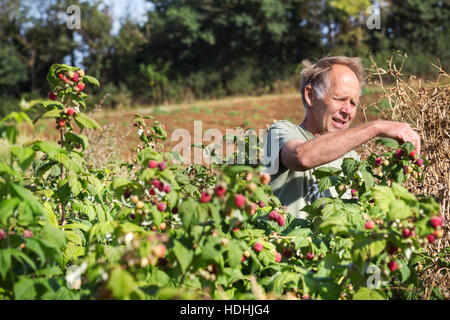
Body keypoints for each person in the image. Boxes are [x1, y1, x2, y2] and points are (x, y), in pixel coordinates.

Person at [263, 56, 421, 219]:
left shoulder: (350, 159)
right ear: (310, 95)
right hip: (288, 243)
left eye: (353, 103)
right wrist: (376, 127)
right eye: (340, 99)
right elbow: (301, 157)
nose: (347, 110)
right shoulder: (281, 131)